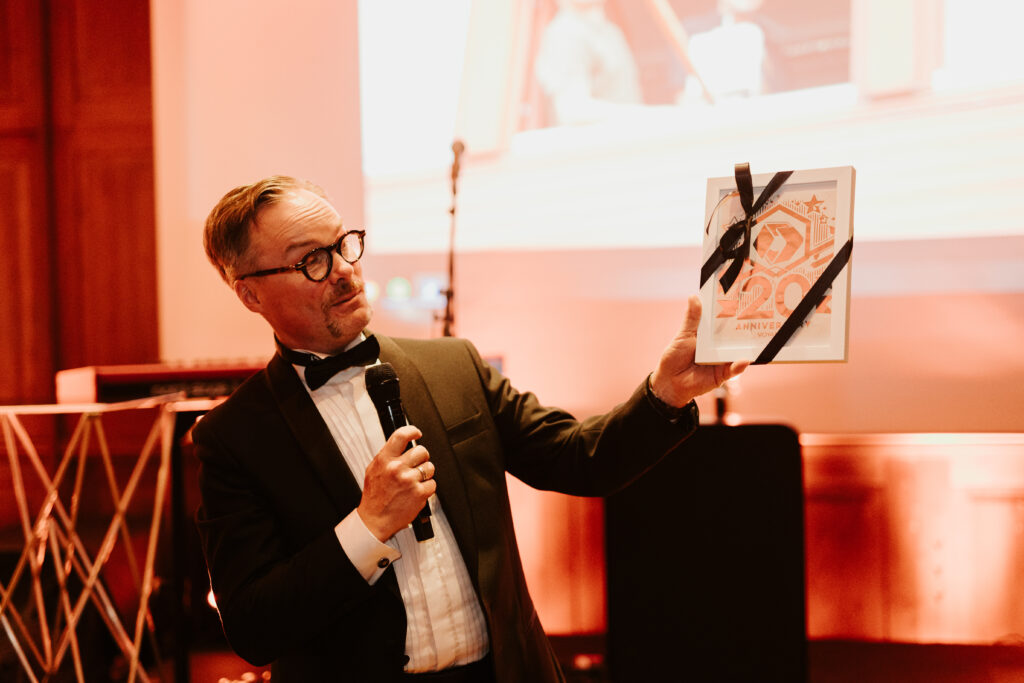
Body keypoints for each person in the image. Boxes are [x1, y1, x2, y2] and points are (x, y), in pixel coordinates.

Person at [194, 175, 746, 682]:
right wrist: (367, 526)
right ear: (249, 293)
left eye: (343, 244)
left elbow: (582, 459)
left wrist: (667, 393)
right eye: (311, 260)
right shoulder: (235, 436)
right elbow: (253, 626)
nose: (343, 269)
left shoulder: (452, 366)